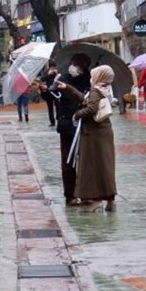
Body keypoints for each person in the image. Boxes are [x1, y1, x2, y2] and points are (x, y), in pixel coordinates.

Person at [56, 65, 118, 212]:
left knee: (92, 167)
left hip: (94, 133)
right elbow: (87, 100)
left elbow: (91, 108)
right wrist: (69, 88)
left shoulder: (96, 90)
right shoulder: (107, 88)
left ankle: (95, 199)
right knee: (106, 166)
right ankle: (110, 199)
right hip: (105, 131)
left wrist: (76, 115)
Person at [51, 54, 91, 206]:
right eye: (74, 63)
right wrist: (47, 89)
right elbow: (52, 94)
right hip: (67, 126)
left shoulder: (89, 80)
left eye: (80, 64)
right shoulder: (63, 78)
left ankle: (86, 193)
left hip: (85, 126)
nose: (76, 66)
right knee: (68, 162)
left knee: (86, 162)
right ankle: (70, 195)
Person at [39, 60, 58, 127]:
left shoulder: (57, 72)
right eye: (51, 67)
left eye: (54, 67)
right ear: (49, 67)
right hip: (48, 92)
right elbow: (42, 79)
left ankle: (58, 118)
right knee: (50, 107)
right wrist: (48, 74)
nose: (53, 69)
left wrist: (56, 74)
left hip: (56, 91)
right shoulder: (47, 72)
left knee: (58, 106)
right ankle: (52, 121)